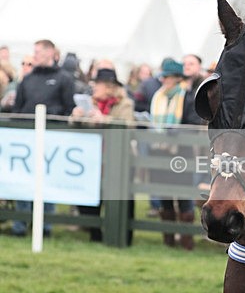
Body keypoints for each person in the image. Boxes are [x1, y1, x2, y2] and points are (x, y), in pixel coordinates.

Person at [12, 39, 75, 237]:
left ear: (50, 53)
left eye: (38, 51)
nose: (35, 55)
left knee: (47, 182)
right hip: (26, 139)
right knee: (22, 181)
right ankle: (20, 225)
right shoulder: (27, 80)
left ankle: (46, 225)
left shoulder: (64, 78)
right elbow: (18, 110)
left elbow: (68, 109)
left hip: (52, 140)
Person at [70, 67, 135, 242]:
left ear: (108, 86)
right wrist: (76, 116)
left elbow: (128, 125)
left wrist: (104, 120)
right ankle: (95, 234)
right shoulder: (89, 102)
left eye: (97, 84)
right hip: (93, 158)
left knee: (120, 198)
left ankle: (123, 236)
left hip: (118, 158)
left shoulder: (124, 103)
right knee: (91, 195)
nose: (94, 87)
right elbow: (74, 123)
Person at [150, 57, 197, 250]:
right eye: (163, 77)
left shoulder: (187, 97)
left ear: (177, 78)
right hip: (159, 153)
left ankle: (186, 241)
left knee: (184, 197)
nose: (163, 80)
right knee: (164, 196)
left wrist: (178, 132)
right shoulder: (158, 97)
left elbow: (194, 123)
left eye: (167, 77)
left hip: (181, 153)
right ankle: (168, 240)